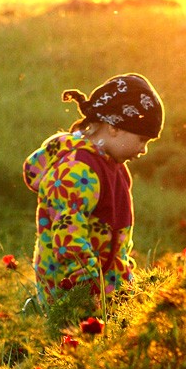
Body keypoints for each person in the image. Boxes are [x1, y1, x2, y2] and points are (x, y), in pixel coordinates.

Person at [23, 73, 164, 311]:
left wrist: (124, 285)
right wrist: (86, 287)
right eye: (142, 139)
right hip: (73, 292)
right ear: (114, 127)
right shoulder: (78, 169)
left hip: (105, 290)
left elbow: (118, 242)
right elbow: (69, 233)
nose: (144, 150)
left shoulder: (116, 169)